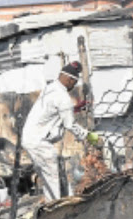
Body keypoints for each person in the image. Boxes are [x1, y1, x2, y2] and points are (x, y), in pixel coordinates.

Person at [22, 61, 99, 202]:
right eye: (74, 83)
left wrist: (75, 108)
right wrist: (88, 135)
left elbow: (55, 112)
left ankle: (61, 200)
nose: (74, 86)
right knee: (52, 176)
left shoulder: (50, 88)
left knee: (51, 173)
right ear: (70, 80)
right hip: (39, 141)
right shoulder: (63, 97)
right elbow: (69, 124)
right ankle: (54, 208)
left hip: (31, 138)